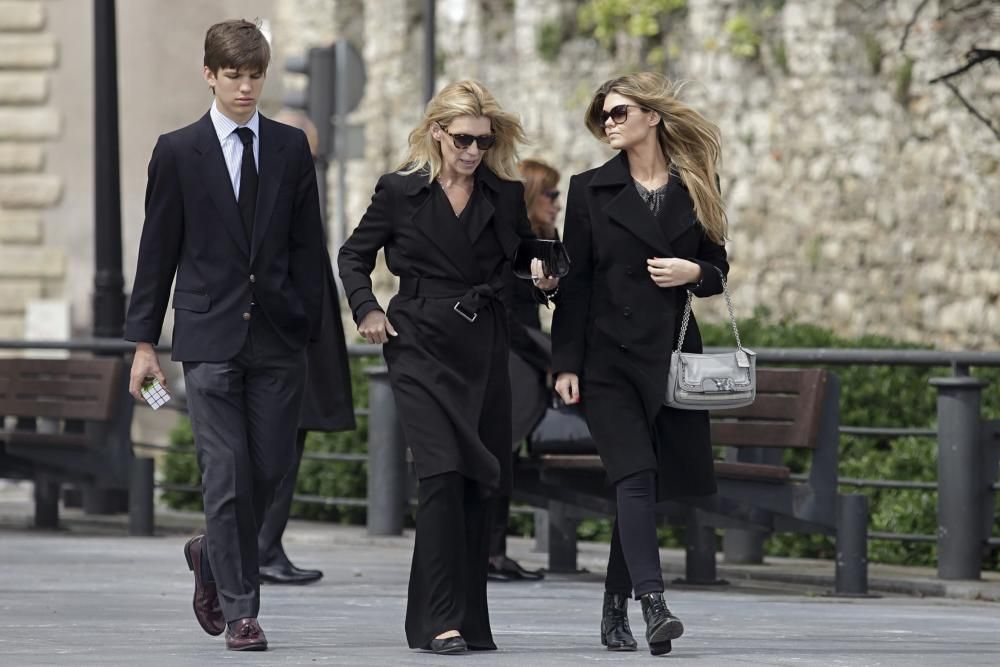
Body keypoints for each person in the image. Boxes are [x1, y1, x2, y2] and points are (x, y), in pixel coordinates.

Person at [124, 19, 325, 651]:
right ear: (209, 74)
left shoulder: (291, 148)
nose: (245, 87)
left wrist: (308, 325)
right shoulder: (178, 151)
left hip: (278, 336)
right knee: (227, 471)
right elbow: (157, 251)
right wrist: (144, 343)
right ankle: (243, 610)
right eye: (233, 75)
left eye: (255, 75)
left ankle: (210, 550)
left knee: (268, 470)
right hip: (208, 337)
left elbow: (306, 247)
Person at [338, 80, 557, 655]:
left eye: (483, 142)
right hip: (418, 344)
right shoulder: (399, 190)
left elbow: (513, 267)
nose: (472, 151)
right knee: (438, 476)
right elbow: (353, 255)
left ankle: (456, 619)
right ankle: (439, 621)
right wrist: (366, 308)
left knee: (475, 483)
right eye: (462, 139)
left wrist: (543, 277)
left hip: (483, 348)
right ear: (437, 132)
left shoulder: (503, 194)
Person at [552, 72, 729, 656]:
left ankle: (611, 609)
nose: (609, 122)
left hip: (672, 358)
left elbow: (718, 271)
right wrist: (565, 364)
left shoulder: (697, 185)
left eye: (620, 112)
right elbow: (574, 285)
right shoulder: (588, 190)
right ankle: (653, 604)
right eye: (604, 115)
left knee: (644, 487)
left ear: (652, 117)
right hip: (607, 361)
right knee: (634, 475)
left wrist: (692, 272)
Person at [256, 110, 356, 586]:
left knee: (285, 445)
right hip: (284, 333)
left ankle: (263, 546)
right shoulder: (270, 181)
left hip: (300, 329)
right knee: (275, 447)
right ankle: (256, 548)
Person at [489, 158, 563, 582]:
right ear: (532, 196)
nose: (557, 203)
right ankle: (488, 553)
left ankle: (493, 552)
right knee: (498, 457)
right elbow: (508, 315)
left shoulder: (541, 244)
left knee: (504, 459)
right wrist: (547, 359)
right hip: (514, 362)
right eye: (550, 194)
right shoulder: (515, 244)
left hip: (524, 361)